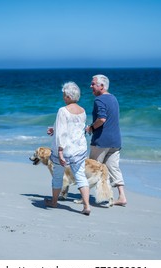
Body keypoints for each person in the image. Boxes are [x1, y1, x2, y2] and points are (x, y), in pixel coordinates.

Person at [45, 82, 91, 215]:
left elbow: (62, 133)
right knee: (80, 176)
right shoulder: (82, 111)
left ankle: (54, 202)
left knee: (58, 175)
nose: (63, 97)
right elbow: (75, 128)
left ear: (69, 96)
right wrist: (54, 129)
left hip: (65, 149)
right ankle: (87, 206)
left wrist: (60, 151)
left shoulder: (62, 110)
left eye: (64, 95)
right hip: (79, 148)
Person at [85, 74, 127, 206]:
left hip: (101, 141)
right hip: (116, 141)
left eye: (93, 84)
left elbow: (102, 119)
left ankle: (85, 197)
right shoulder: (113, 98)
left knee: (93, 169)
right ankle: (121, 196)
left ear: (102, 86)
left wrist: (91, 127)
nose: (90, 86)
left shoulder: (99, 100)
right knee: (113, 168)